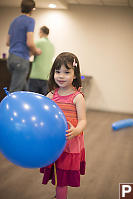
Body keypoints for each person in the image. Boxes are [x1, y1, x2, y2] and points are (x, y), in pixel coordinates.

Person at [40, 52, 87, 199]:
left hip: (70, 143)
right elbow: (44, 117)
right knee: (56, 172)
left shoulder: (77, 97)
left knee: (62, 180)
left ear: (75, 75)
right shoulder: (51, 95)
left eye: (66, 72)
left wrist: (76, 130)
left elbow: (83, 120)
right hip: (54, 142)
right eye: (57, 71)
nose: (61, 76)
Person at [6, 0, 41, 92]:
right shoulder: (30, 20)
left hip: (11, 59)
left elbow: (7, 42)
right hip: (21, 60)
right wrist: (36, 51)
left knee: (25, 90)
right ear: (32, 9)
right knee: (15, 90)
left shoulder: (14, 21)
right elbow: (30, 42)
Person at [29, 26, 55, 95]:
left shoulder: (38, 42)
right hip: (47, 76)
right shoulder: (52, 45)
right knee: (44, 99)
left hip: (36, 75)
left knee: (32, 99)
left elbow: (29, 54)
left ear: (41, 32)